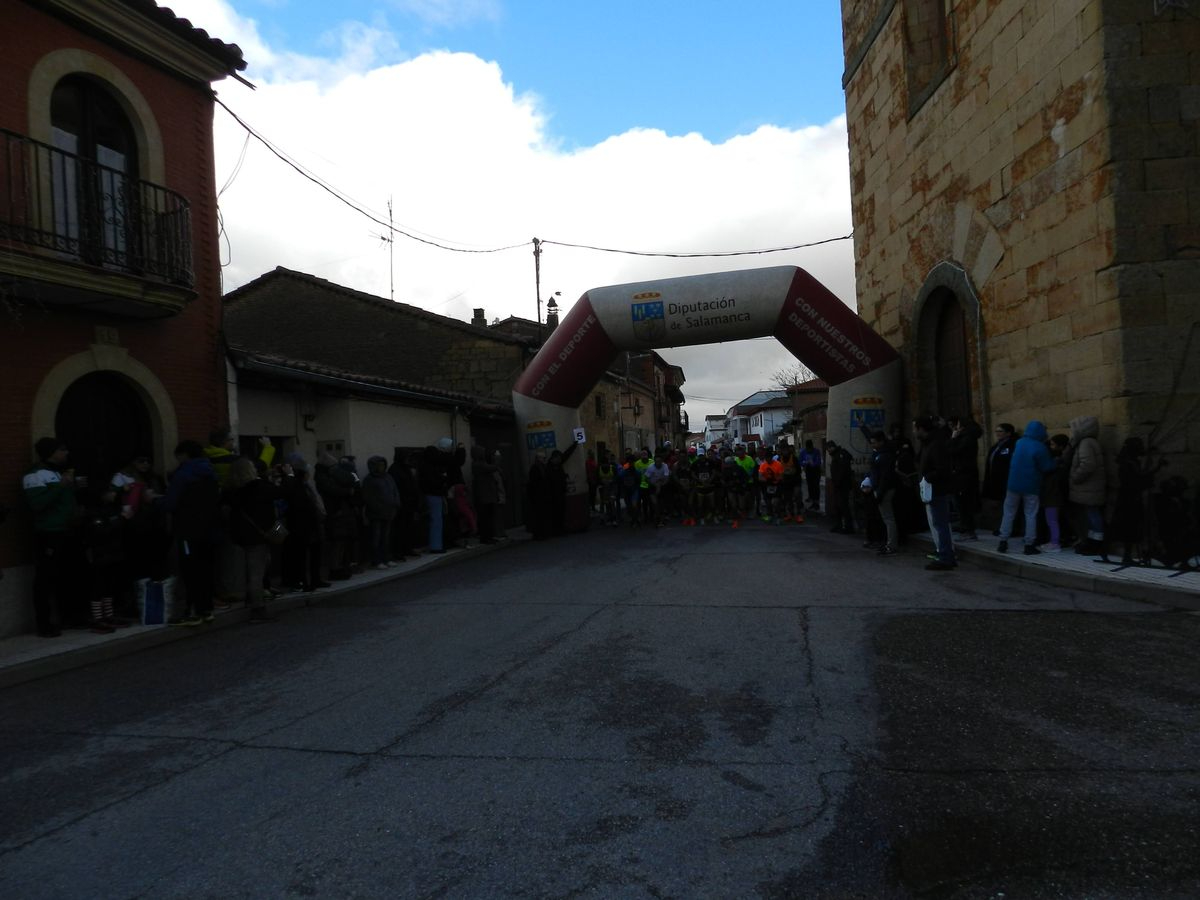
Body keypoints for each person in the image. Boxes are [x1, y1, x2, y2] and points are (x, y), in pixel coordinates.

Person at [23, 438, 84, 637]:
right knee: (45, 579)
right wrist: (61, 486)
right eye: (62, 449)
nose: (66, 453)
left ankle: (70, 616)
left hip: (67, 531)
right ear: (51, 452)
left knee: (69, 575)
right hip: (48, 533)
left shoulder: (59, 473)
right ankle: (44, 624)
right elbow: (37, 504)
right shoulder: (34, 475)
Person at [159, 441, 222, 624]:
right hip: (210, 530)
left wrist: (154, 500)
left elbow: (170, 504)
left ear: (184, 455)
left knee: (190, 571)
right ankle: (206, 609)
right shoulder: (211, 472)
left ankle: (193, 611)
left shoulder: (183, 475)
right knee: (206, 570)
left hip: (188, 530)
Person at [225, 458, 280, 622]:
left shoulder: (230, 491)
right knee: (256, 573)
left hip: (239, 535)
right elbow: (280, 493)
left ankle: (250, 598)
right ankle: (258, 608)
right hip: (259, 535)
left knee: (247, 570)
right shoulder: (259, 487)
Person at [996, 420, 1057, 555]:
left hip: (1013, 484)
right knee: (1030, 514)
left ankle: (1003, 541)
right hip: (1031, 485)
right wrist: (1056, 462)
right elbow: (1047, 467)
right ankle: (1029, 544)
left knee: (1008, 513)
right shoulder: (1040, 447)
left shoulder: (1019, 442)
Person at [914, 416, 956, 571]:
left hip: (937, 489)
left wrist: (927, 478)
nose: (914, 431)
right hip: (931, 489)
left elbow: (942, 469)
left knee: (940, 524)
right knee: (938, 523)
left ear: (921, 429)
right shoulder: (928, 443)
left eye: (915, 428)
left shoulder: (936, 444)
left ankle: (946, 557)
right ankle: (946, 555)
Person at [1068, 415, 1108, 555]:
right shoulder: (1088, 442)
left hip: (1088, 487)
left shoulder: (1086, 443)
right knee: (1091, 514)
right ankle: (1092, 541)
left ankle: (1096, 543)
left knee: (1093, 514)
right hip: (1089, 488)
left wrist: (1075, 477)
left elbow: (1088, 465)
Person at [362, 455, 401, 568]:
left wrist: (396, 504)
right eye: (379, 465)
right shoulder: (369, 480)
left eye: (383, 465)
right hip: (376, 514)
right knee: (376, 537)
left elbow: (395, 491)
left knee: (386, 537)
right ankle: (377, 560)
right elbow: (368, 498)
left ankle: (387, 558)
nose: (382, 467)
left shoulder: (388, 477)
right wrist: (378, 508)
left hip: (389, 512)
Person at [948, 416, 983, 541]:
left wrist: (953, 438)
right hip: (964, 474)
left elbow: (953, 451)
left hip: (963, 475)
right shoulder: (967, 438)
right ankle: (965, 527)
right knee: (962, 503)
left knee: (964, 504)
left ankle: (969, 530)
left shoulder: (967, 439)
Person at [864, 431, 898, 555]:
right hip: (879, 488)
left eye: (874, 442)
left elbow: (885, 476)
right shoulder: (878, 453)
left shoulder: (885, 455)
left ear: (881, 442)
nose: (872, 445)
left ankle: (891, 545)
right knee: (885, 518)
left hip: (884, 489)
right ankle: (887, 542)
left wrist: (879, 492)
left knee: (888, 518)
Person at [982, 423, 1017, 531]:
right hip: (994, 481)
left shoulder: (1011, 446)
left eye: (1000, 431)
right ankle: (1000, 527)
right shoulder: (996, 446)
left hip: (1005, 481)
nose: (997, 433)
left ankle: (1008, 528)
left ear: (1008, 433)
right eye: (996, 431)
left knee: (1007, 506)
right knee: (997, 505)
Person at [1040, 434, 1071, 552]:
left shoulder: (1056, 463)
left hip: (1053, 496)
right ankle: (1054, 541)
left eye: (1053, 444)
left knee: (1052, 520)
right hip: (1054, 495)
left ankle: (1055, 543)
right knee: (1053, 520)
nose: (1051, 447)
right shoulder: (1059, 461)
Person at [471, 444, 502, 544]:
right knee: (485, 518)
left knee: (488, 517)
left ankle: (489, 536)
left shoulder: (479, 464)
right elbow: (493, 467)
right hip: (484, 495)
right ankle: (486, 537)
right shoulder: (478, 465)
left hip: (486, 494)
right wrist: (497, 458)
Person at [799, 439, 823, 512]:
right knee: (810, 486)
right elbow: (800, 461)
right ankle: (812, 501)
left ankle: (816, 503)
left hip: (816, 471)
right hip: (808, 471)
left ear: (812, 446)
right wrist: (805, 463)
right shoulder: (803, 452)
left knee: (816, 486)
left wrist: (813, 463)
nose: (809, 450)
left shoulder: (816, 451)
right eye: (808, 449)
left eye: (810, 448)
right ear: (806, 447)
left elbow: (819, 461)